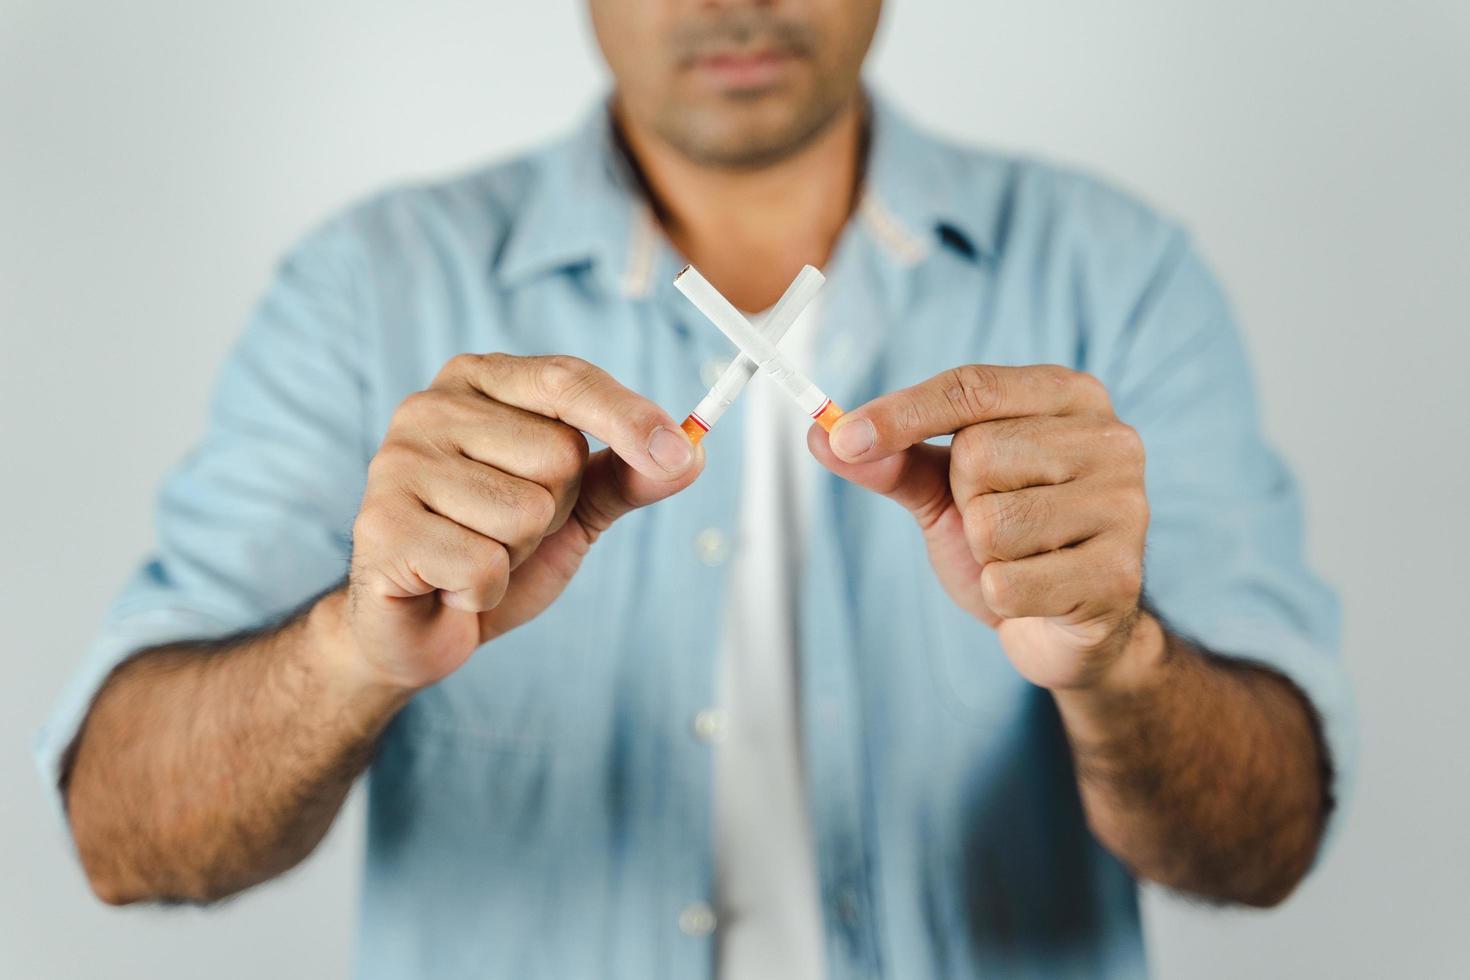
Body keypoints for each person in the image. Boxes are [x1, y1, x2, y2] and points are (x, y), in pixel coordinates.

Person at [37, 2, 1356, 978]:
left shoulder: (1110, 273)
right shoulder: (367, 284)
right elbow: (123, 839)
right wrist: (348, 651)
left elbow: (1266, 844)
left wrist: (1116, 664)